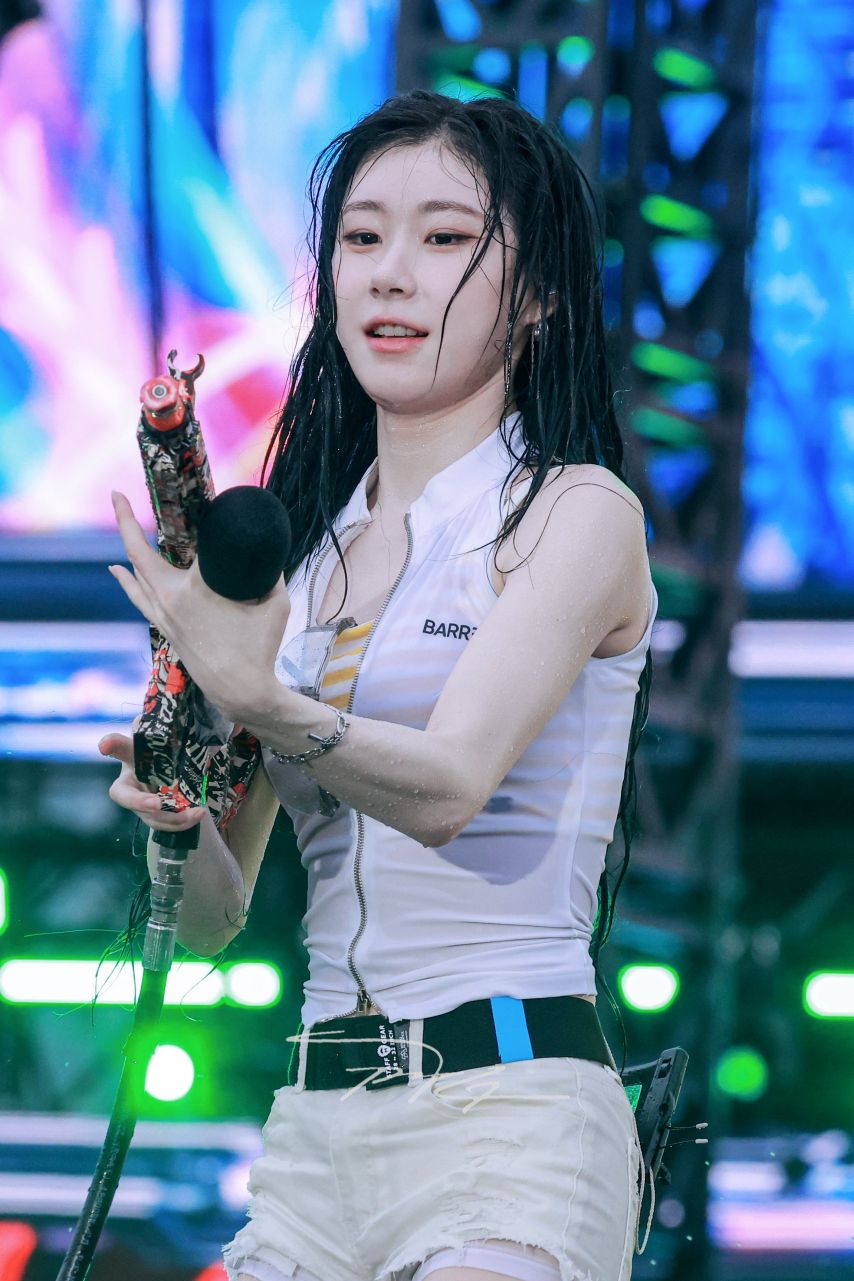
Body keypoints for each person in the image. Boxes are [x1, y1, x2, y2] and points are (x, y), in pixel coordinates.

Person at [101, 89, 655, 1281]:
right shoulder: (299, 560)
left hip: (508, 1113)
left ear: (538, 292)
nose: (390, 273)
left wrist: (262, 698)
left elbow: (448, 789)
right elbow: (211, 922)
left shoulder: (574, 516)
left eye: (444, 237)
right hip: (315, 1139)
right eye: (361, 237)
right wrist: (174, 819)